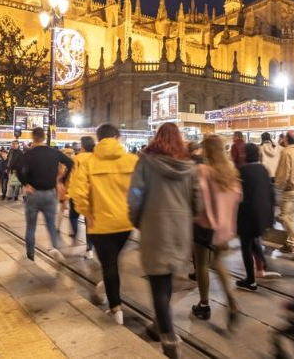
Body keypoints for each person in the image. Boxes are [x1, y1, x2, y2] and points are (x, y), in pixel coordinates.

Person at [128, 122, 201, 358]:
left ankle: (169, 338)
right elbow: (197, 202)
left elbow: (136, 195)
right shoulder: (189, 167)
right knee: (167, 280)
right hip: (180, 231)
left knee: (158, 284)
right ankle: (159, 325)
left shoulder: (145, 162)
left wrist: (136, 219)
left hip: (155, 226)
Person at [72, 126, 137, 325]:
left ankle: (116, 309)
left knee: (109, 264)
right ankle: (106, 289)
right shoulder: (132, 160)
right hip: (126, 222)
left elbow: (78, 191)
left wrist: (87, 212)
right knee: (113, 262)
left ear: (98, 139)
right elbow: (141, 189)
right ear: (117, 137)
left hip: (99, 223)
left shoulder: (89, 162)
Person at [191, 135, 242, 328]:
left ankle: (204, 305)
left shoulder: (203, 170)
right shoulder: (231, 171)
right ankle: (230, 301)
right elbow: (238, 197)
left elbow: (197, 198)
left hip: (205, 225)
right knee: (218, 262)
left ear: (207, 150)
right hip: (225, 227)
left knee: (202, 265)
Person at [16, 127, 73, 261]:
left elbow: (18, 168)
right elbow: (71, 163)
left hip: (33, 193)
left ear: (33, 137)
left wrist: (26, 184)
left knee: (31, 226)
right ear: (44, 137)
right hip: (50, 193)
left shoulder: (28, 154)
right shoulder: (54, 153)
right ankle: (57, 249)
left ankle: (30, 253)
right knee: (51, 225)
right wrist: (61, 179)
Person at [236, 143, 276, 290]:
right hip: (263, 214)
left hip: (248, 215)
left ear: (245, 155)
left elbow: (238, 194)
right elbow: (271, 193)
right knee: (253, 240)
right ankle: (263, 263)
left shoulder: (242, 171)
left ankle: (250, 281)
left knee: (245, 246)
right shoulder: (263, 169)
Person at [67, 136, 98, 259]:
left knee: (73, 216)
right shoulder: (96, 158)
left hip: (78, 193)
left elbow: (73, 177)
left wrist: (68, 193)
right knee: (88, 221)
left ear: (83, 146)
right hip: (92, 195)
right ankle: (89, 248)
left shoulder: (78, 158)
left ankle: (75, 235)